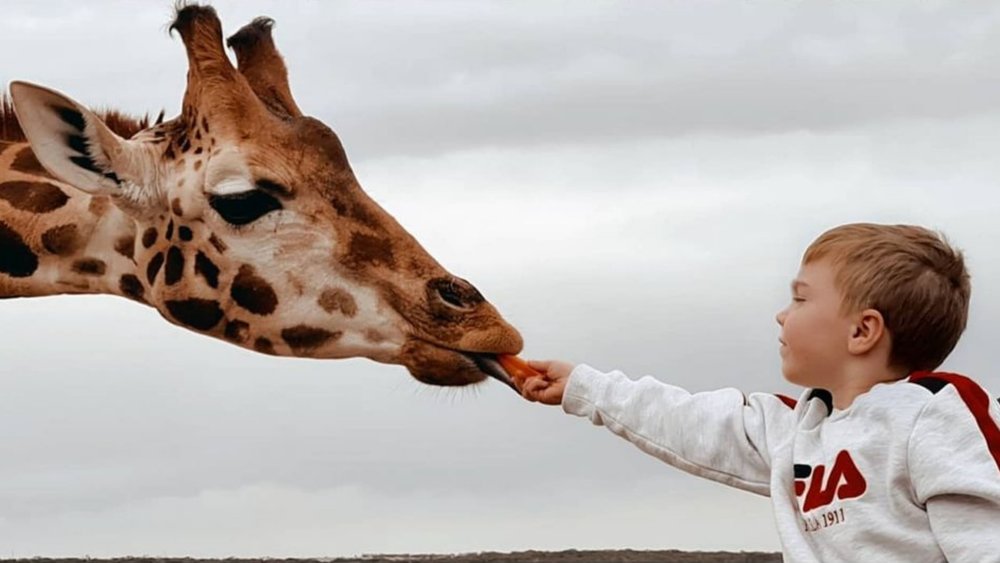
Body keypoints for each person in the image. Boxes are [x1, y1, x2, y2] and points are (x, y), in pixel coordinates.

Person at [515, 223, 1000, 562]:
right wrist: (585, 387)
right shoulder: (795, 430)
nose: (782, 314)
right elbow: (687, 421)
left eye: (801, 298)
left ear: (862, 331)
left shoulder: (934, 415)